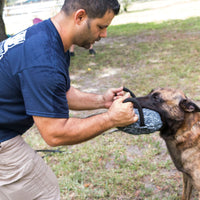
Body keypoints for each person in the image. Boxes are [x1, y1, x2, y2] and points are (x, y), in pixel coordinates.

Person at [0, 0, 138, 199]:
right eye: (101, 26)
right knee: (45, 192)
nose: (104, 34)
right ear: (80, 17)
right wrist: (111, 119)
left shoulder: (47, 35)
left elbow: (60, 92)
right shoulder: (44, 60)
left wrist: (102, 100)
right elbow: (55, 134)